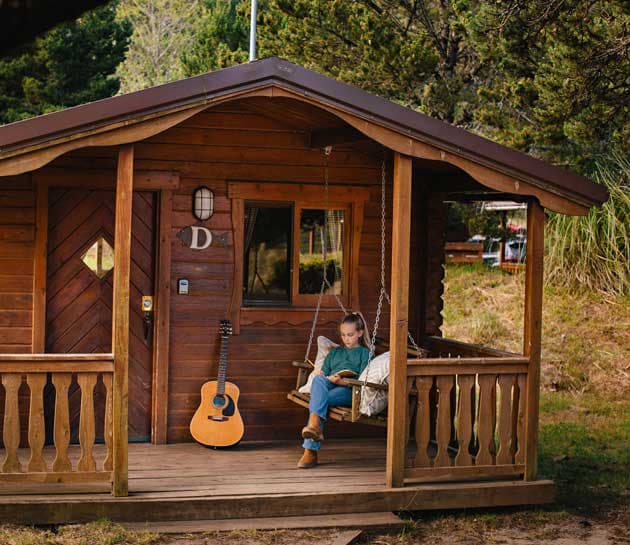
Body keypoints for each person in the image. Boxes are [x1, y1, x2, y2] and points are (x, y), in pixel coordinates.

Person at [297, 312, 370, 469]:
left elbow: (363, 379)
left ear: (360, 333)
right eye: (343, 335)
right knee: (318, 380)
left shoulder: (364, 353)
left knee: (320, 400)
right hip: (331, 384)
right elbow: (323, 373)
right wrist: (328, 377)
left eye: (350, 335)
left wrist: (343, 382)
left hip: (349, 390)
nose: (346, 339)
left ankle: (310, 449)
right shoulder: (335, 352)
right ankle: (314, 429)